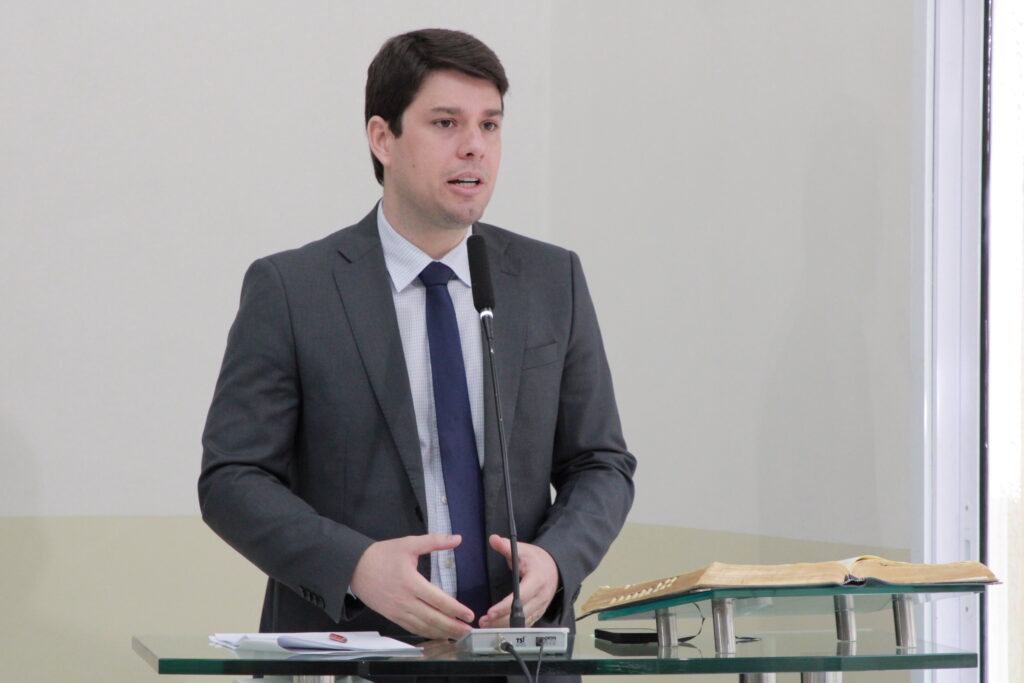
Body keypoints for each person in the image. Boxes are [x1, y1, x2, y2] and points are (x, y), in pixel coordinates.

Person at [199, 27, 635, 661]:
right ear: (383, 138)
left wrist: (556, 560)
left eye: (490, 125)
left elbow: (600, 463)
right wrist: (355, 566)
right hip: (348, 653)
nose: (474, 147)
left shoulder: (550, 280)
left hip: (517, 656)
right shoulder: (293, 289)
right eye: (446, 123)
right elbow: (232, 478)